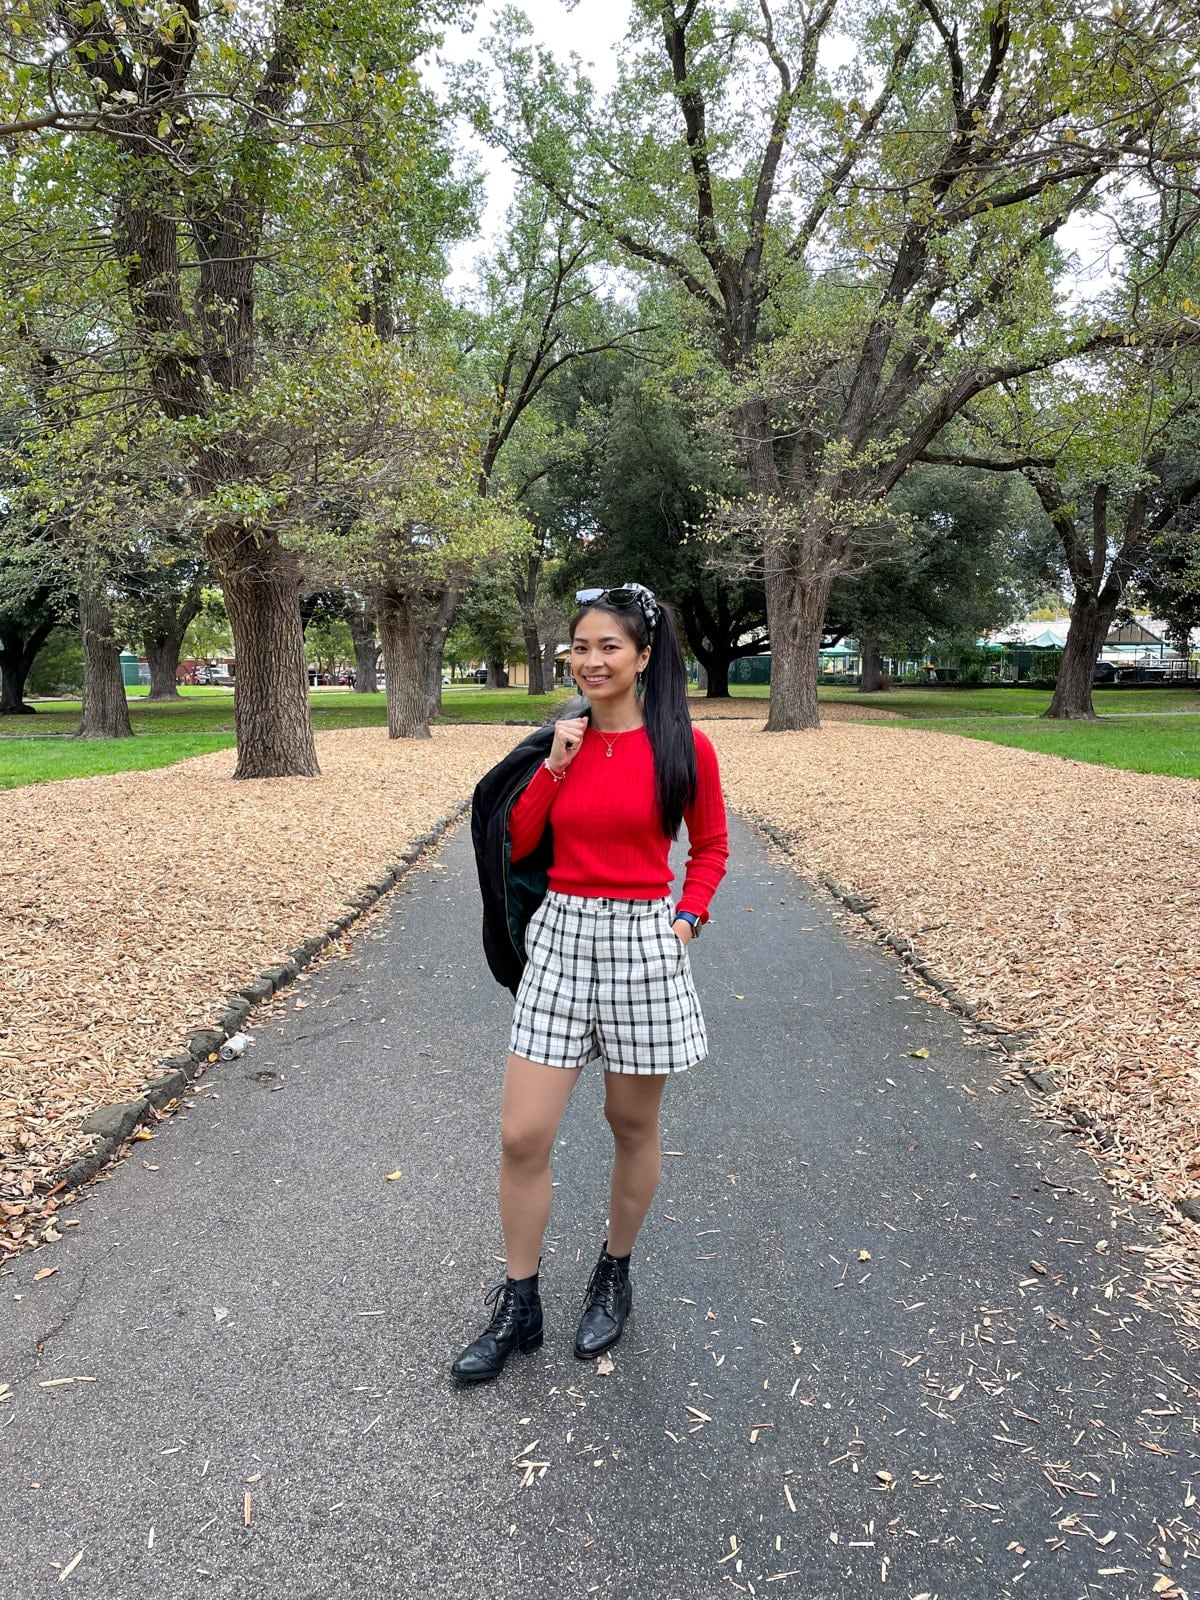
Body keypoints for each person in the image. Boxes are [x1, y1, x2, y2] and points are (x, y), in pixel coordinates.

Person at [451, 583, 729, 1384]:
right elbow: (519, 840)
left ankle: (614, 1271)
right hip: (562, 940)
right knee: (522, 1134)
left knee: (629, 1126)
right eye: (581, 647)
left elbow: (709, 850)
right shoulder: (557, 742)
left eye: (609, 646)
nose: (592, 660)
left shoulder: (685, 748)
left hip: (645, 940)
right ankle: (521, 1302)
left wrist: (684, 924)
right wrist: (556, 769)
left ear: (643, 657)